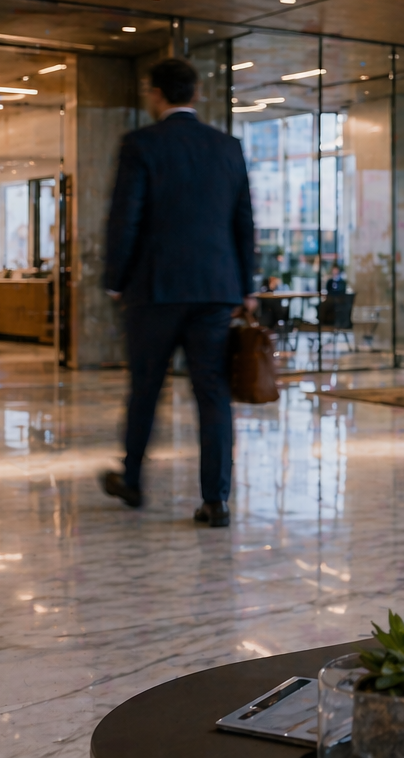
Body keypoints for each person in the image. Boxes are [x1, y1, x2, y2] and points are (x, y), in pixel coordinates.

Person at [99, 58, 256, 529]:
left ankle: (132, 480)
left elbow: (125, 218)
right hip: (215, 289)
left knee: (146, 388)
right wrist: (246, 287)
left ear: (155, 93)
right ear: (196, 92)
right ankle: (216, 500)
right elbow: (244, 223)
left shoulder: (141, 144)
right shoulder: (227, 147)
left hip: (155, 289)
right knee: (213, 394)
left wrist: (115, 279)